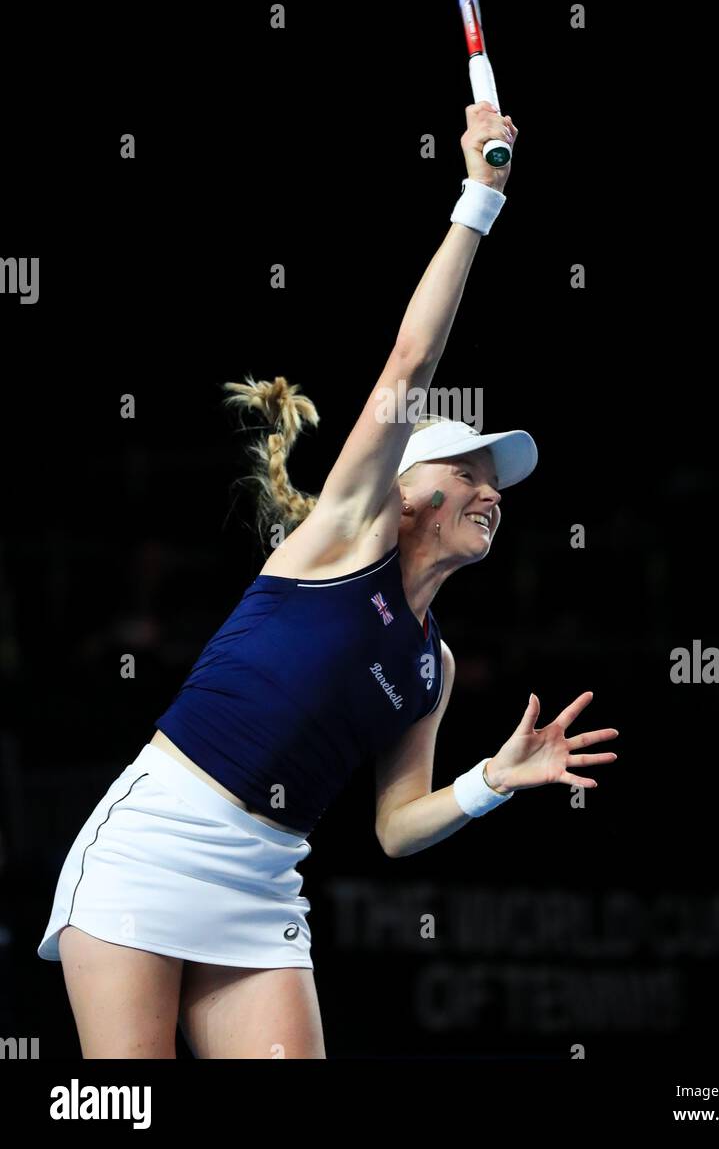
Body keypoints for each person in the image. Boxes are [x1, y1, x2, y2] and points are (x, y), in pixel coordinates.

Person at [37, 101, 619, 1058]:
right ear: (405, 490)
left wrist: (491, 781)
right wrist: (479, 197)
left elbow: (395, 827)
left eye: (496, 481)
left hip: (263, 886)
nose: (488, 490)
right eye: (466, 470)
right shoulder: (342, 539)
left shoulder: (432, 667)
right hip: (156, 845)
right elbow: (411, 357)